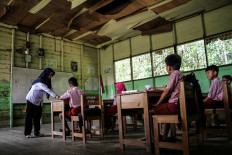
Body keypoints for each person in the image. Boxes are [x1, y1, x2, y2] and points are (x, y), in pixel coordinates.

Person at [149, 54, 184, 140]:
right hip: (180, 105)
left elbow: (167, 91)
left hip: (175, 106)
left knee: (150, 111)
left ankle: (155, 138)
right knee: (164, 107)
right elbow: (167, 87)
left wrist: (157, 103)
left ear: (169, 67)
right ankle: (164, 135)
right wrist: (155, 88)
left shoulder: (174, 74)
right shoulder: (180, 74)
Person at [25, 68, 59, 138]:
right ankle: (27, 133)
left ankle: (37, 133)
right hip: (31, 100)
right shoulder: (39, 82)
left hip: (38, 101)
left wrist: (57, 95)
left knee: (37, 117)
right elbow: (47, 90)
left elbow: (51, 89)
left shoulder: (47, 82)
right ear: (46, 74)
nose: (50, 77)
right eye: (50, 75)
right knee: (29, 117)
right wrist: (55, 96)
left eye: (51, 76)